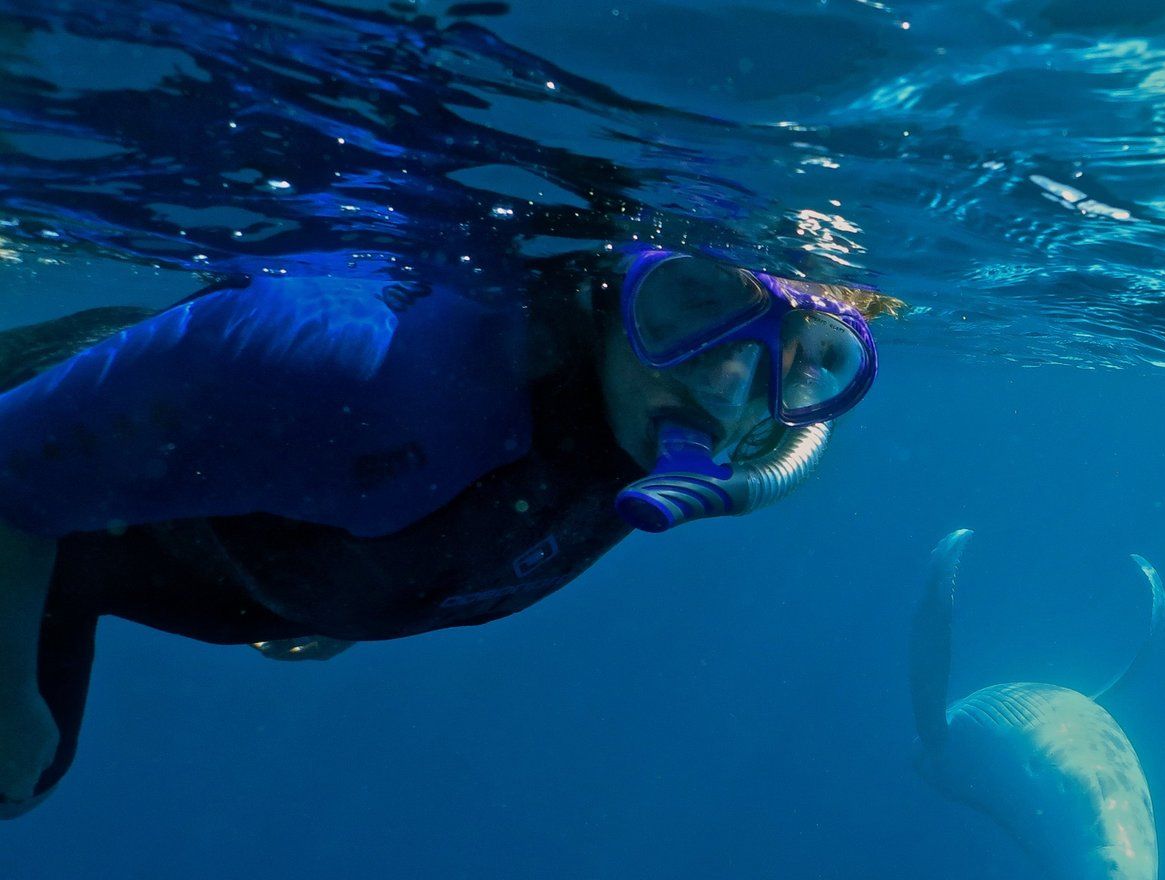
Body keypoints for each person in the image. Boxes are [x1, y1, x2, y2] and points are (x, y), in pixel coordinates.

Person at [0, 246, 896, 815]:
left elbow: (432, 497)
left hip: (115, 561)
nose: (726, 391)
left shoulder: (642, 427)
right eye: (694, 307)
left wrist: (346, 571)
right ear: (609, 286)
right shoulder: (353, 373)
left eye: (813, 359)